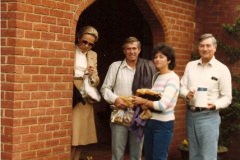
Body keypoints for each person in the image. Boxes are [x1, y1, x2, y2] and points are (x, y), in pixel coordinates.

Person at [101, 36, 156, 160]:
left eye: (134, 48)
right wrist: (115, 99)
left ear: (139, 50)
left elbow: (153, 92)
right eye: (128, 49)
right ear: (124, 51)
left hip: (139, 114)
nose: (132, 51)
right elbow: (105, 88)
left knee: (137, 153)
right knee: (117, 152)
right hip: (120, 113)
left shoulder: (147, 67)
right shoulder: (115, 67)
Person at [180, 33, 232, 160]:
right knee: (194, 155)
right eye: (202, 46)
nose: (205, 49)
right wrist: (187, 94)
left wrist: (215, 105)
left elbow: (227, 97)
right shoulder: (190, 66)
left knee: (208, 156)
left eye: (208, 46)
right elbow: (182, 87)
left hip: (209, 117)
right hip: (191, 115)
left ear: (215, 48)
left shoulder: (222, 69)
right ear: (198, 48)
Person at [132, 43, 180, 160]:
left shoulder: (173, 78)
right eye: (155, 57)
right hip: (150, 121)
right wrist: (144, 105)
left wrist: (143, 101)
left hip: (163, 124)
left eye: (161, 57)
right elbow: (153, 99)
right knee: (148, 157)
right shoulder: (157, 76)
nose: (157, 59)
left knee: (159, 157)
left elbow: (162, 105)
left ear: (169, 60)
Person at [71, 26, 100, 160]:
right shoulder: (70, 50)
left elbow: (96, 82)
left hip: (86, 92)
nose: (87, 46)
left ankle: (76, 158)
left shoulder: (93, 55)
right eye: (84, 42)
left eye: (91, 44)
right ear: (78, 38)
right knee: (73, 131)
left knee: (83, 133)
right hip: (73, 91)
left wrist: (93, 75)